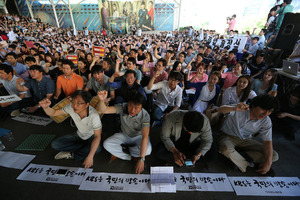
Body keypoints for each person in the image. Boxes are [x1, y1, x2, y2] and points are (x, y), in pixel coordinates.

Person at [39, 90, 102, 169]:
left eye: (79, 103)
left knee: (97, 149)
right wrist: (46, 107)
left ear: (87, 104)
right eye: (73, 102)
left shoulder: (94, 115)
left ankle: (73, 154)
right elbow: (54, 113)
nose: (75, 105)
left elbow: (97, 136)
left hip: (91, 137)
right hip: (79, 135)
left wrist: (90, 156)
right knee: (55, 144)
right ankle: (85, 149)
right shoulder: (70, 107)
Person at [218, 94, 279, 174]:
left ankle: (237, 158)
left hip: (246, 140)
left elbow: (267, 142)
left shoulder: (266, 121)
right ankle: (246, 163)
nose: (265, 114)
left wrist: (268, 163)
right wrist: (233, 108)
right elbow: (220, 109)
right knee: (225, 149)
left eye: (270, 111)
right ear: (254, 105)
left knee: (274, 156)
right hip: (228, 136)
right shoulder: (241, 108)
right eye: (264, 109)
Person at [99, 90, 151, 174]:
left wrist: (142, 159)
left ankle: (125, 151)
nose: (132, 110)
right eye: (130, 105)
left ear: (141, 107)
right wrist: (101, 100)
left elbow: (145, 136)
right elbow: (104, 110)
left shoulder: (145, 115)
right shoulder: (122, 107)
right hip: (124, 134)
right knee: (106, 144)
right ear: (128, 103)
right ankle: (131, 157)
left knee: (148, 150)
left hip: (138, 137)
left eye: (137, 107)